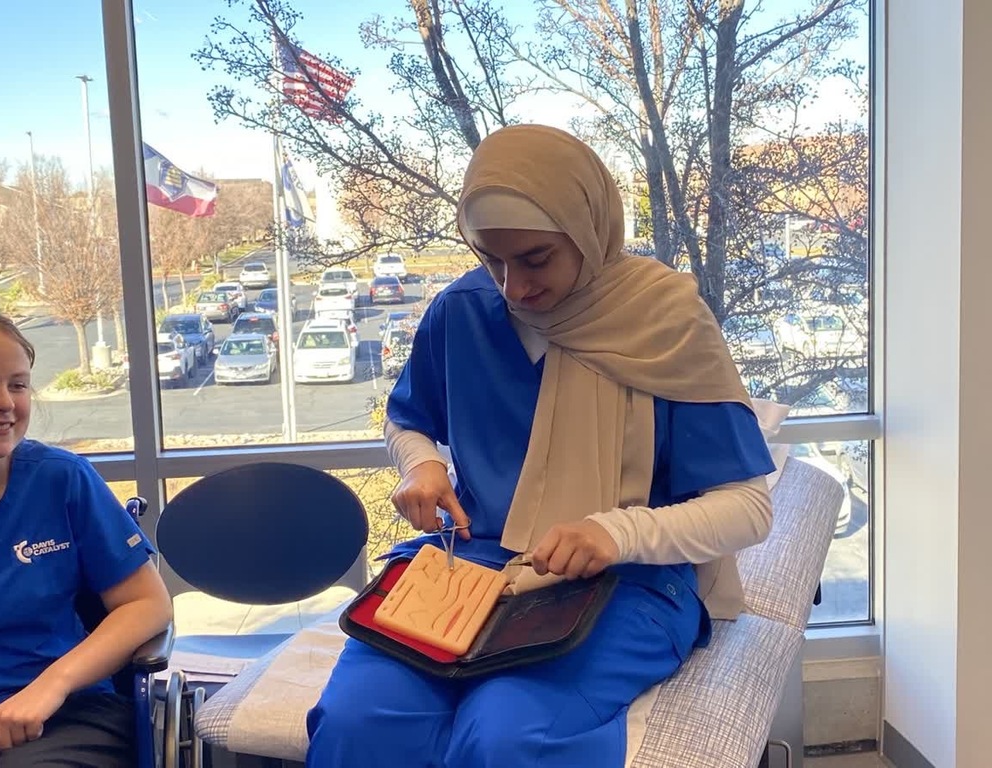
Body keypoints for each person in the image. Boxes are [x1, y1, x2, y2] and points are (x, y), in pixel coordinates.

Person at [305, 124, 776, 767]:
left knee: (505, 735)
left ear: (588, 230)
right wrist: (422, 465)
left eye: (534, 258)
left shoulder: (665, 323)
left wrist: (616, 533)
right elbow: (408, 418)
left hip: (624, 581)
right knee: (355, 721)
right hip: (469, 562)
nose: (512, 287)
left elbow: (748, 508)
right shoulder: (463, 311)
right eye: (489, 259)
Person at [0, 306, 173, 768]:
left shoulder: (60, 480)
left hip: (66, 715)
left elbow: (148, 603)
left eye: (18, 385)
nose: (5, 402)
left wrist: (52, 685)